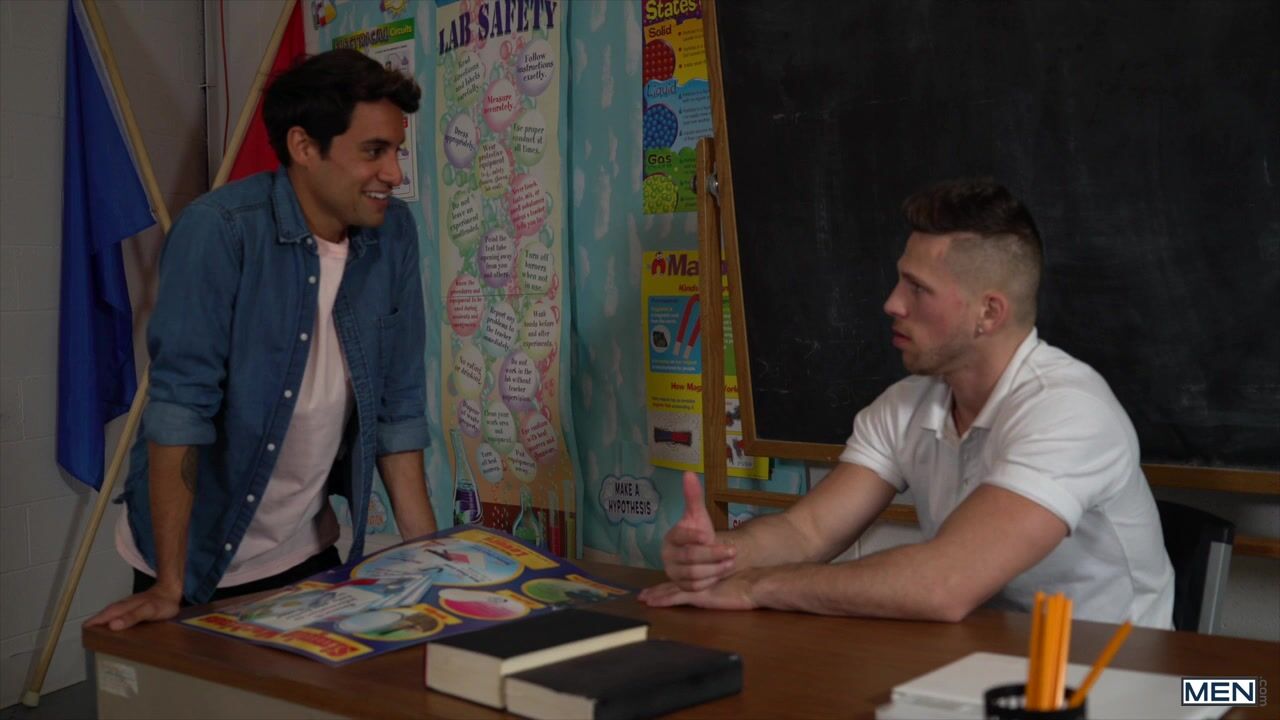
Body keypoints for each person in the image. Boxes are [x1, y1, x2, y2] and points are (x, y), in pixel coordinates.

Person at [640, 178, 1175, 628]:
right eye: (901, 280)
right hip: (985, 665)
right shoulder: (905, 406)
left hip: (1121, 682)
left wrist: (759, 586)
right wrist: (720, 559)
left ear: (989, 313)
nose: (892, 303)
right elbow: (808, 532)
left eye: (917, 288)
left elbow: (944, 584)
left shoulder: (1070, 411)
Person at [87, 50, 438, 631]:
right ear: (304, 147)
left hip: (306, 549)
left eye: (397, 151)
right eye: (373, 151)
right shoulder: (220, 231)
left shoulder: (392, 233)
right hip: (195, 558)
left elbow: (398, 411)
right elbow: (180, 411)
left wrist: (430, 561)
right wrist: (171, 585)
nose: (395, 174)